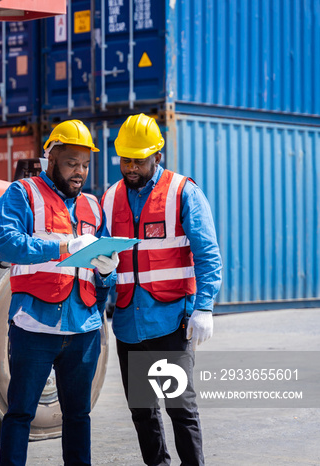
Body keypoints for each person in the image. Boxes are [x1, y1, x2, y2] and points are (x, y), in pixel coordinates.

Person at [0, 119, 119, 466]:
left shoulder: (93, 206)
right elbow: (8, 246)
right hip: (35, 327)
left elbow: (103, 266)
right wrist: (63, 246)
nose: (79, 172)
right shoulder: (22, 194)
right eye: (71, 163)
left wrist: (108, 274)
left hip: (84, 329)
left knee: (79, 416)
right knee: (20, 414)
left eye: (85, 165)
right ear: (51, 158)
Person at [102, 113, 222, 466]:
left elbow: (207, 252)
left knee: (179, 409)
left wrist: (204, 307)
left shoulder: (182, 191)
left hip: (171, 321)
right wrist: (104, 275)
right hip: (130, 324)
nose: (132, 166)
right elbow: (107, 263)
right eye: (126, 158)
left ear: (158, 154)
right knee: (143, 411)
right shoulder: (110, 199)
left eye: (139, 159)